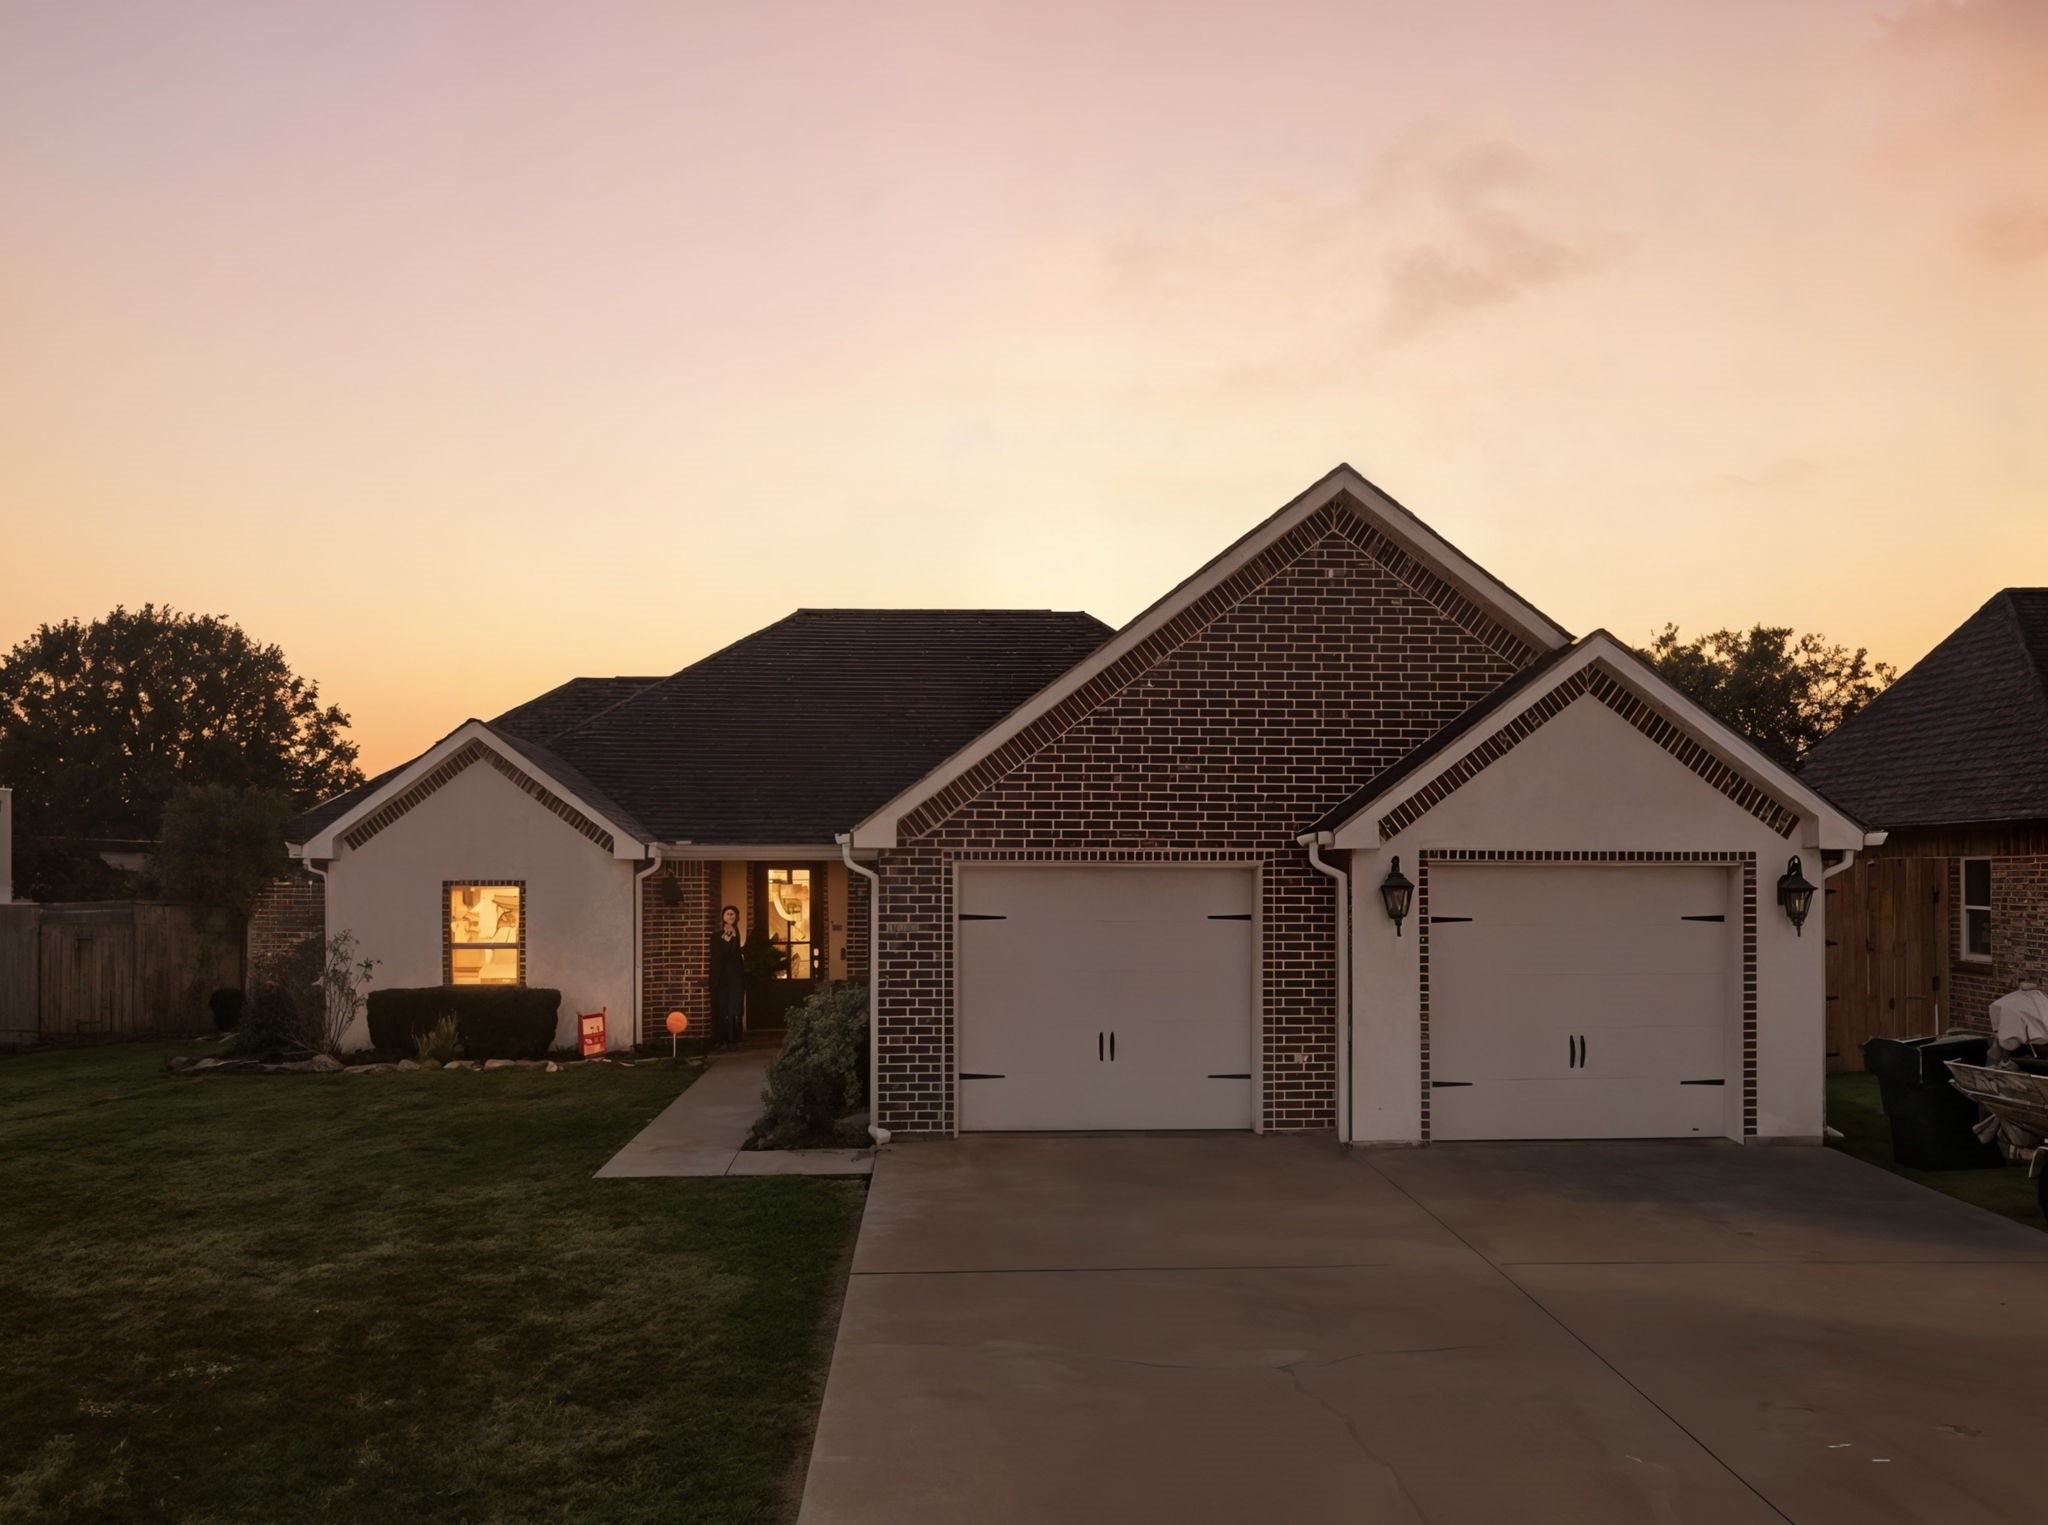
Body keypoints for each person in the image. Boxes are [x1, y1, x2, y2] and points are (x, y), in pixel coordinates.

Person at [709, 905, 746, 1048]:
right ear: (723, 917)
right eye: (728, 914)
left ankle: (734, 1039)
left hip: (735, 978)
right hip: (721, 979)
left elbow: (735, 956)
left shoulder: (737, 934)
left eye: (733, 914)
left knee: (734, 1009)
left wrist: (732, 938)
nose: (730, 917)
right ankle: (721, 1040)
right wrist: (725, 939)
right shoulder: (716, 937)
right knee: (722, 1009)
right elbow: (718, 957)